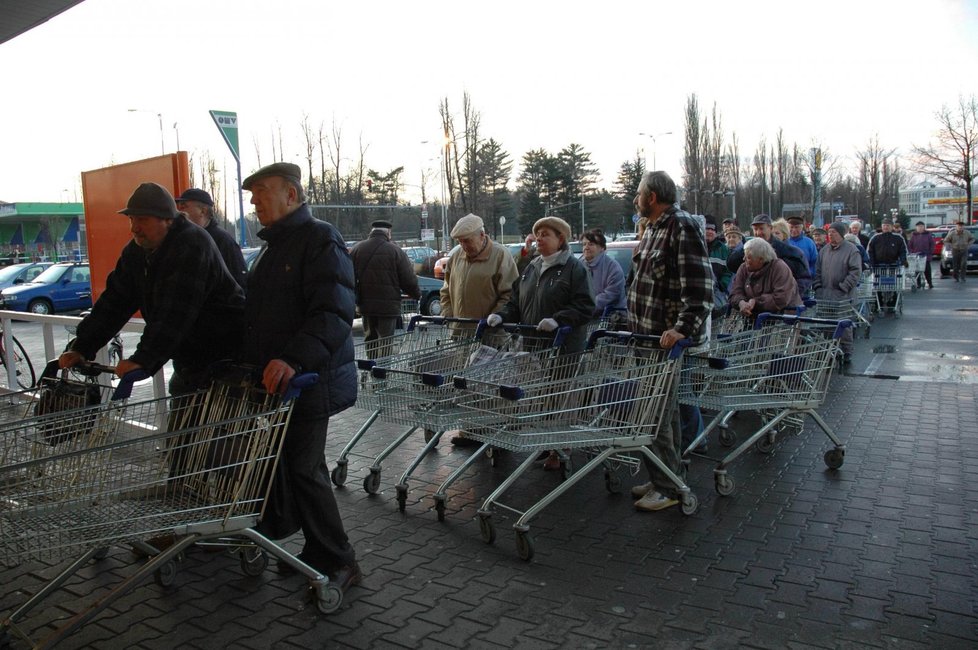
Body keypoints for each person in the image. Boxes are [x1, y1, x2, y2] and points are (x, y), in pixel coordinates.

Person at [240, 161, 361, 594]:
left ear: (291, 195)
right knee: (291, 466)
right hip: (280, 384)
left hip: (310, 380)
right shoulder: (273, 247)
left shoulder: (320, 238)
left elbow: (333, 311)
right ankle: (313, 550)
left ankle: (340, 558)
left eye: (261, 191)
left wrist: (293, 358)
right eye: (251, 194)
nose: (254, 200)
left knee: (306, 468)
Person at [59, 182, 245, 397]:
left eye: (143, 220)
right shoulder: (138, 250)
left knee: (217, 426)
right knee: (186, 423)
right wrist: (81, 346)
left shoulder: (192, 244)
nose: (134, 228)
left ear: (167, 220)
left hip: (226, 359)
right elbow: (114, 302)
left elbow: (175, 312)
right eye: (132, 219)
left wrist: (143, 360)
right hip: (190, 360)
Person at [626, 171, 713, 512]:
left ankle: (667, 486)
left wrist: (683, 329)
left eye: (639, 193)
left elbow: (700, 287)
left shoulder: (682, 226)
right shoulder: (652, 229)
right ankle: (666, 473)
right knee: (661, 413)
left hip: (664, 342)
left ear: (654, 196)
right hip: (644, 339)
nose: (636, 199)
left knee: (657, 414)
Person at [486, 216, 594, 471]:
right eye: (537, 234)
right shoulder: (531, 267)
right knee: (539, 396)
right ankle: (546, 444)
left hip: (563, 348)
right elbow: (516, 302)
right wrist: (502, 315)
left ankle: (559, 447)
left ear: (561, 239)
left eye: (546, 234)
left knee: (557, 397)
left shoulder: (574, 269)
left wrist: (559, 320)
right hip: (532, 347)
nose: (539, 239)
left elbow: (586, 306)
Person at [439, 213, 519, 447]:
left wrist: (492, 318)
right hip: (461, 334)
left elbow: (510, 294)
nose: (464, 246)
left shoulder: (500, 255)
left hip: (490, 335)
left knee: (489, 386)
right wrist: (448, 315)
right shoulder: (457, 257)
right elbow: (446, 290)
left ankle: (494, 429)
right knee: (466, 384)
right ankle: (471, 429)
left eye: (467, 241)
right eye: (460, 242)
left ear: (482, 236)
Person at [350, 219, 420, 358]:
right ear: (388, 233)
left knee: (370, 339)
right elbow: (408, 278)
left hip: (366, 305)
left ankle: (371, 368)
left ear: (372, 231)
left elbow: (347, 276)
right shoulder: (395, 251)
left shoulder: (357, 249)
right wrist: (416, 294)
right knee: (386, 341)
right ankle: (383, 373)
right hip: (388, 307)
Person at [174, 188, 247, 288]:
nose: (179, 212)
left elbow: (239, 282)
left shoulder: (223, 240)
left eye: (184, 207)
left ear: (202, 211)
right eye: (178, 208)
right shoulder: (183, 239)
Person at [814, 222, 862, 365]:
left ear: (841, 234)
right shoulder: (824, 251)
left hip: (843, 296)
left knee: (843, 325)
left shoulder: (852, 250)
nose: (830, 234)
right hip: (825, 295)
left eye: (834, 232)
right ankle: (829, 349)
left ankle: (846, 351)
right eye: (829, 232)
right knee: (826, 324)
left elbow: (855, 272)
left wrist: (844, 287)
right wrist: (817, 287)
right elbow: (817, 271)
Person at [727, 214, 811, 295]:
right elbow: (731, 264)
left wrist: (790, 295)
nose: (758, 232)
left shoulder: (786, 250)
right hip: (752, 301)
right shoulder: (748, 248)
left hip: (779, 302)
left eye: (761, 228)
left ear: (770, 228)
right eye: (755, 229)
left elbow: (803, 277)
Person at [727, 237, 802, 320]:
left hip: (781, 320)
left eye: (748, 257)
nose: (743, 259)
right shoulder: (744, 268)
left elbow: (781, 298)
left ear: (761, 259)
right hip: (752, 319)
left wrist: (756, 302)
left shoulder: (779, 268)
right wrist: (741, 302)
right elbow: (735, 292)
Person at [580, 228, 626, 321]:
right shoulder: (579, 265)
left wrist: (586, 307)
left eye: (591, 244)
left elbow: (611, 295)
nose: (586, 247)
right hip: (585, 316)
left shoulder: (613, 268)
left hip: (610, 319)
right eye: (584, 244)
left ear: (602, 248)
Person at [867, 217, 908, 308]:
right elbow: (870, 251)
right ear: (881, 227)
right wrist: (872, 263)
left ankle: (892, 303)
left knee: (893, 286)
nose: (886, 227)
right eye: (884, 225)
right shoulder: (876, 237)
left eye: (888, 225)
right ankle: (879, 304)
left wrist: (903, 261)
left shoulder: (898, 238)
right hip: (878, 266)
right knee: (878, 286)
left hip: (893, 265)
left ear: (892, 227)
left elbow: (903, 251)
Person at [705, 221, 733, 295]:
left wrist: (722, 285)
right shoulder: (695, 247)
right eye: (707, 228)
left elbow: (728, 271)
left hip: (718, 292)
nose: (710, 231)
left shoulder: (724, 249)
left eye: (712, 229)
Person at [906, 221, 933, 289]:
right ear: (916, 228)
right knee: (917, 270)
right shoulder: (914, 235)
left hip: (926, 256)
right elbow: (910, 245)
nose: (920, 228)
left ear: (924, 227)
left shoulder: (928, 235)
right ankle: (918, 284)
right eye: (918, 227)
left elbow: (932, 245)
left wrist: (930, 252)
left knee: (927, 270)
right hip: (916, 256)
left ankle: (930, 283)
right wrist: (911, 252)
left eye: (921, 226)